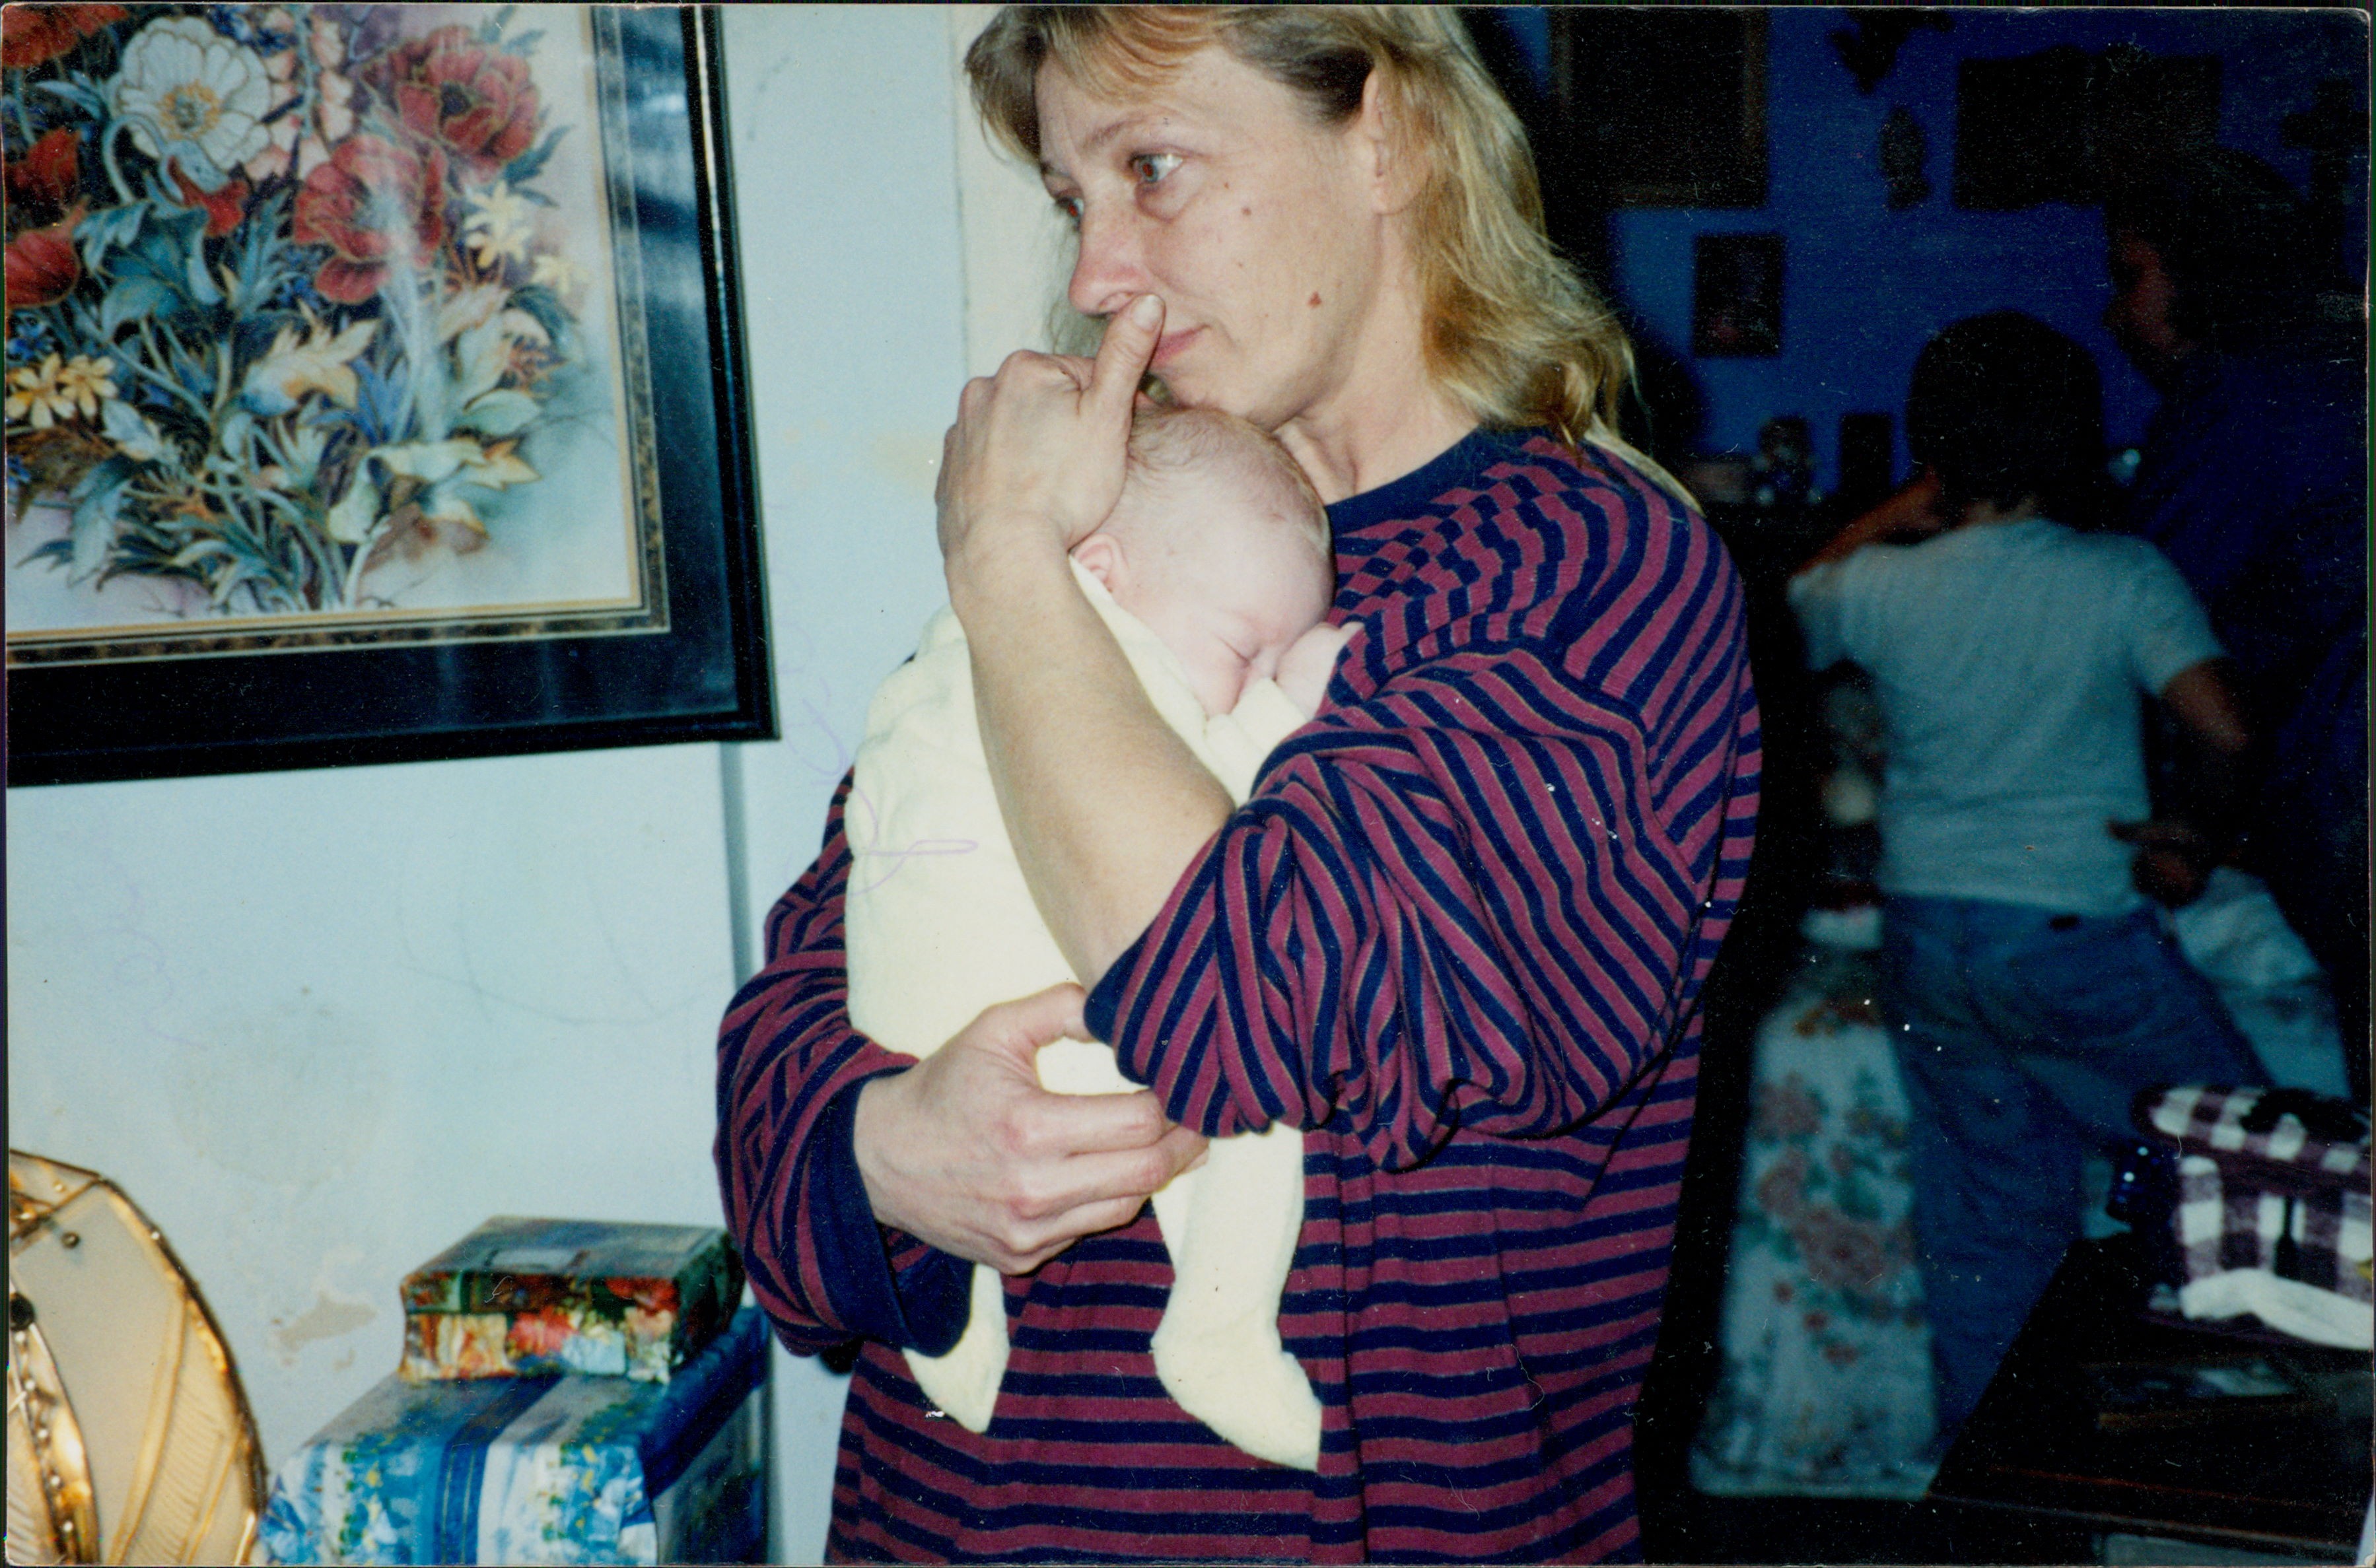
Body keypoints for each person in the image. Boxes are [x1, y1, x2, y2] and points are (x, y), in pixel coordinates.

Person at [716, 9, 1760, 1560]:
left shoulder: (1589, 578)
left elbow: (1232, 998)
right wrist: (881, 1155)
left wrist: (1004, 561)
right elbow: (786, 1051)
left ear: (1388, 136)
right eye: (1072, 198)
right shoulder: (1100, 537)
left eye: (1152, 167)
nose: (1095, 276)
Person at [1788, 312, 2265, 1441]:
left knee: (1987, 1224)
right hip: (2070, 939)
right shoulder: (2121, 577)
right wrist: (2189, 835)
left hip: (1929, 943)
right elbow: (2228, 731)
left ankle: (1995, 1475)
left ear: (1933, 447)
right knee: (2240, 1162)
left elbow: (1784, 609)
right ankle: (2237, 1439)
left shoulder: (1880, 587)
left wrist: (1899, 508)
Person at [847, 405, 1346, 1470]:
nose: (1257, 676)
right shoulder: (1088, 664)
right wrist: (1287, 709)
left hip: (901, 1015)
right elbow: (1209, 859)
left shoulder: (954, 645)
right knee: (1255, 1117)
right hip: (1056, 1028)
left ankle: (953, 1335)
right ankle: (1217, 1335)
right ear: (1102, 576)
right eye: (1242, 649)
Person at [2101, 149, 2369, 1075]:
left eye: (2129, 278)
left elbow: (2152, 600)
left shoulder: (2235, 392)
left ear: (2202, 270)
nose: (2113, 313)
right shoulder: (2338, 356)